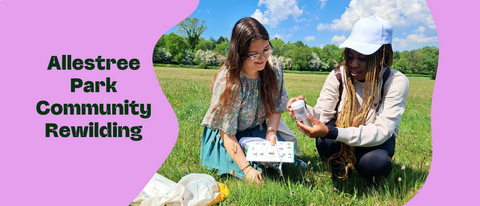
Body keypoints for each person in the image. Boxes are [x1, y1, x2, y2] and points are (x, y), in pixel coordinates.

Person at [287, 15, 410, 184]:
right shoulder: (338, 75)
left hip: (374, 140)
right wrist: (303, 110)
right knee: (325, 142)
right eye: (349, 56)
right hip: (342, 134)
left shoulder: (395, 81)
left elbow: (382, 131)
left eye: (362, 58)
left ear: (381, 56)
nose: (352, 64)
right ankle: (339, 171)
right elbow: (322, 115)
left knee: (375, 163)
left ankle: (372, 178)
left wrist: (333, 132)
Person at [200, 17, 297, 183]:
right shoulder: (230, 82)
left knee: (283, 157)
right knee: (252, 169)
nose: (262, 58)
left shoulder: (273, 67)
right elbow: (227, 132)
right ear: (240, 54)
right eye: (254, 54)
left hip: (256, 128)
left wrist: (271, 131)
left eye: (266, 49)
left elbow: (275, 107)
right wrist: (247, 169)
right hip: (228, 136)